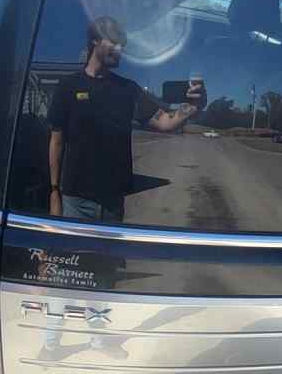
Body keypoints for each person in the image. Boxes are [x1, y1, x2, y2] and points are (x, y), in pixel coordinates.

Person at [47, 17, 205, 222]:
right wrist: (54, 191)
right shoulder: (68, 86)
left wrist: (193, 107)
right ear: (95, 40)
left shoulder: (128, 90)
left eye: (122, 44)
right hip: (76, 201)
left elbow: (165, 122)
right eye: (114, 42)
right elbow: (57, 142)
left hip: (113, 203)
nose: (120, 49)